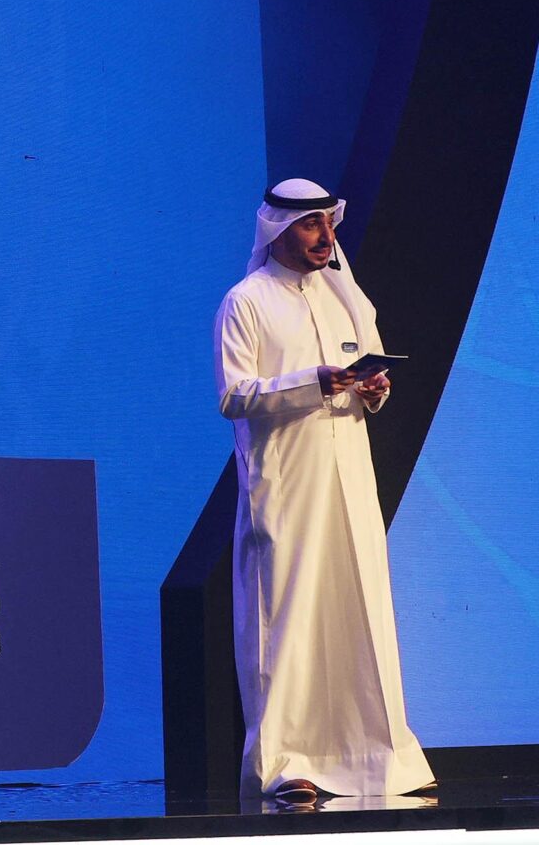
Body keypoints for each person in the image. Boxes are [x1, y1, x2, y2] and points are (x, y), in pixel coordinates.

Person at [216, 179, 434, 803]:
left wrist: (373, 389)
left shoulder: (347, 299)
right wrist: (312, 381)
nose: (325, 238)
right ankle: (285, 764)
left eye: (329, 224)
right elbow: (234, 395)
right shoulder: (246, 301)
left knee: (359, 610)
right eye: (312, 225)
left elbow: (370, 374)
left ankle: (375, 758)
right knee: (286, 618)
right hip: (286, 485)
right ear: (279, 230)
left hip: (350, 480)